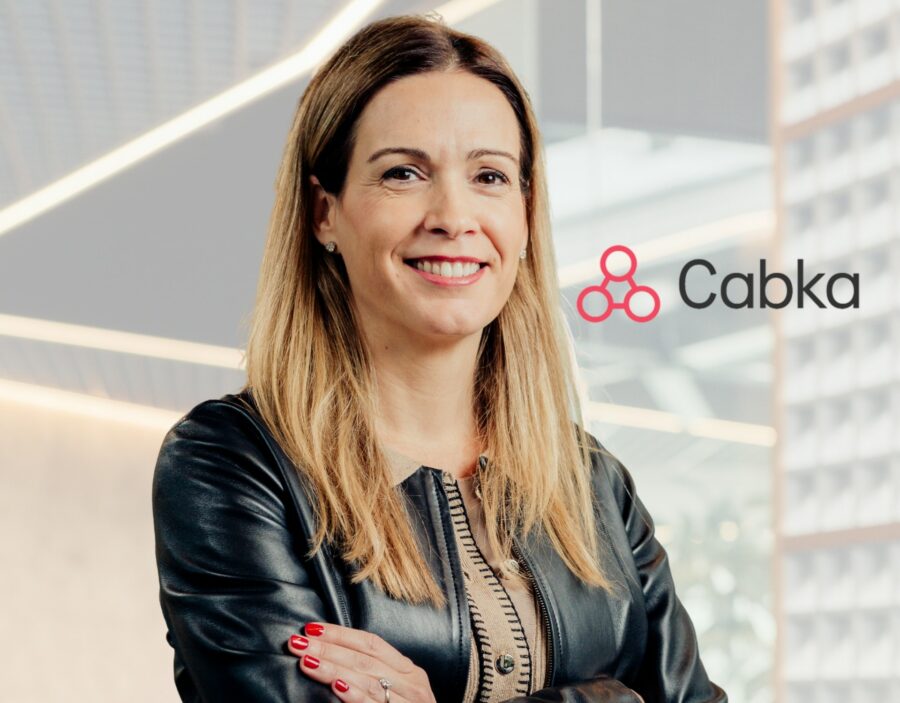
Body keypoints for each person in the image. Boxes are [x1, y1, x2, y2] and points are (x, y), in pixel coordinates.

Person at [152, 13, 728, 703]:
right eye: (403, 173)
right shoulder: (231, 466)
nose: (453, 216)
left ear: (525, 214)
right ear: (324, 211)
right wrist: (612, 697)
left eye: (489, 175)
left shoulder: (594, 485)